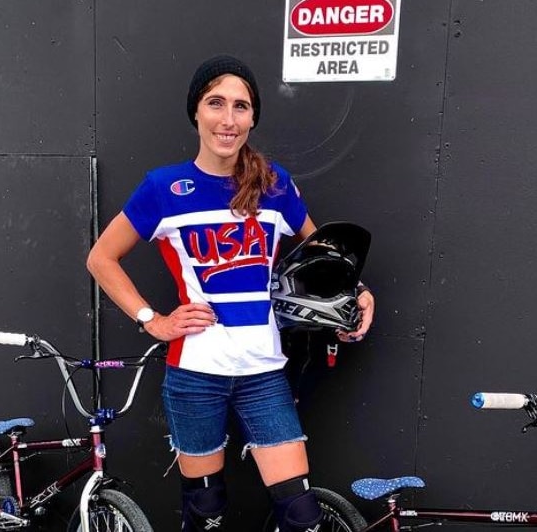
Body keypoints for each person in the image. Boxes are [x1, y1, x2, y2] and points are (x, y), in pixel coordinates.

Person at [87, 55, 374, 532]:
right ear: (196, 112)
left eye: (241, 106)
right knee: (206, 512)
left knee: (301, 515)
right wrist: (151, 319)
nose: (228, 118)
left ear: (253, 117)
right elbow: (101, 258)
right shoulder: (163, 188)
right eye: (215, 103)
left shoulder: (275, 184)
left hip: (263, 374)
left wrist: (358, 290)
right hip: (195, 376)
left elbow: (322, 253)